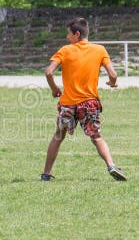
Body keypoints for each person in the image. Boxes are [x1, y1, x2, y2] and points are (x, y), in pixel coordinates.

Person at [41, 17, 127, 182]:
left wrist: (54, 89)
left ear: (77, 34)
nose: (67, 38)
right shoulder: (100, 50)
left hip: (68, 104)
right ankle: (111, 166)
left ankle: (46, 174)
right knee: (96, 136)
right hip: (89, 103)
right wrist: (112, 83)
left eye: (69, 34)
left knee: (59, 136)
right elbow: (113, 75)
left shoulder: (65, 50)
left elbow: (48, 72)